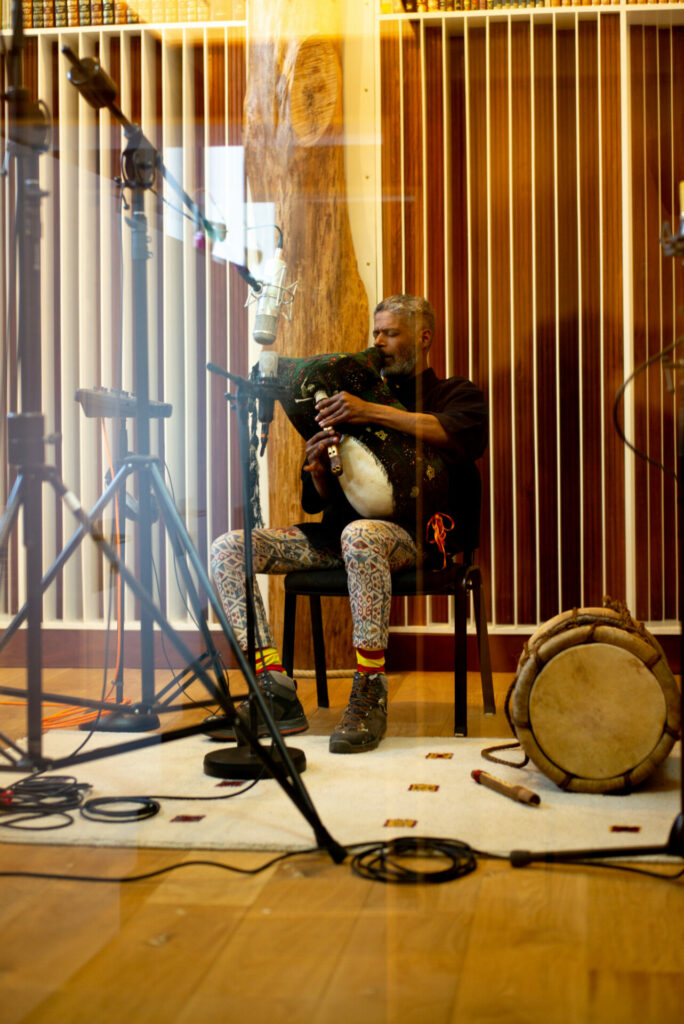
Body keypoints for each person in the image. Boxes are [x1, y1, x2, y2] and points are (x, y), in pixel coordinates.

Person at [210, 295, 488, 754]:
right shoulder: (346, 399)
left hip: (415, 538)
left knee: (359, 536)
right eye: (376, 332)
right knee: (227, 548)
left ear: (424, 338)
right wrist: (319, 469)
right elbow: (316, 502)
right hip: (335, 537)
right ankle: (272, 687)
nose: (378, 341)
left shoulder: (455, 394)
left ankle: (369, 689)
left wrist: (368, 411)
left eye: (391, 333)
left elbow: (460, 435)